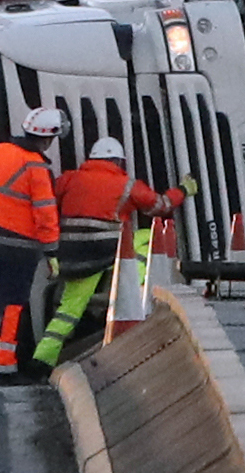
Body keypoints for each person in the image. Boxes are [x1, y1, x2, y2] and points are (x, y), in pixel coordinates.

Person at [31, 137, 197, 370]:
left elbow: (45, 203)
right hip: (105, 255)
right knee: (147, 238)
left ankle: (42, 360)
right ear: (118, 161)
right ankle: (140, 288)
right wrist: (183, 190)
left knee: (68, 311)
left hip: (69, 257)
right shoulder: (127, 184)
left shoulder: (69, 179)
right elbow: (160, 205)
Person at [0, 107, 65, 385]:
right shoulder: (37, 168)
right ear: (48, 139)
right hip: (19, 249)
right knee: (11, 306)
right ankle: (4, 368)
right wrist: (51, 251)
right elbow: (44, 212)